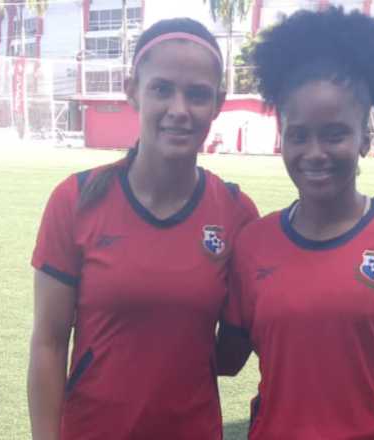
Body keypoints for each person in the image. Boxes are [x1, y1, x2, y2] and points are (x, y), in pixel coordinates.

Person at [218, 7, 374, 440]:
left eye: (334, 134)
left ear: (366, 135)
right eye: (299, 135)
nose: (315, 153)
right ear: (282, 138)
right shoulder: (253, 242)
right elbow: (224, 357)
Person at [28, 18, 258, 440]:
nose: (179, 110)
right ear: (133, 90)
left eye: (197, 94)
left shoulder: (236, 212)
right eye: (162, 89)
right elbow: (48, 343)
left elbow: (231, 356)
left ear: (218, 103)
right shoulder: (75, 200)